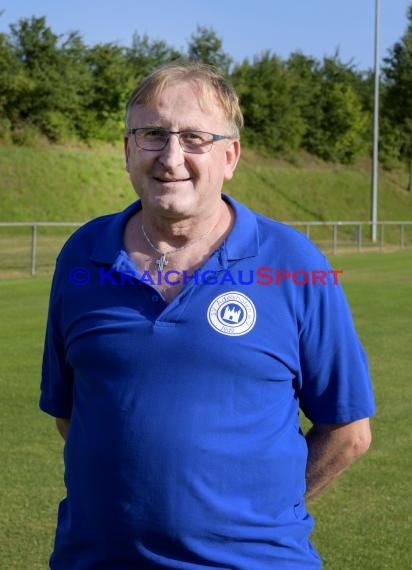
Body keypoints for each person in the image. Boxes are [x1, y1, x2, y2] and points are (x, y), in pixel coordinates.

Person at [40, 60, 374, 570]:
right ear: (129, 150)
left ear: (230, 155)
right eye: (153, 134)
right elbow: (74, 413)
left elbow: (348, 431)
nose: (171, 156)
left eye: (195, 137)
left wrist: (262, 513)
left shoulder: (295, 263)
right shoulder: (83, 254)